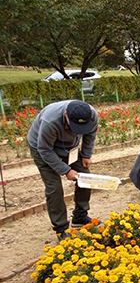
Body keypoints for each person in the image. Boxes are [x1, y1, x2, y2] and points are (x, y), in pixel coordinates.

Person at [27, 100, 98, 240]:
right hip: (42, 148)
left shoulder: (91, 114)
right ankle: (61, 228)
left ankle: (80, 216)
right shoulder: (50, 121)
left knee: (85, 177)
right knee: (54, 187)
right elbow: (44, 149)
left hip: (69, 148)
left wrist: (86, 155)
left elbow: (90, 135)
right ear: (66, 115)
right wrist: (66, 170)